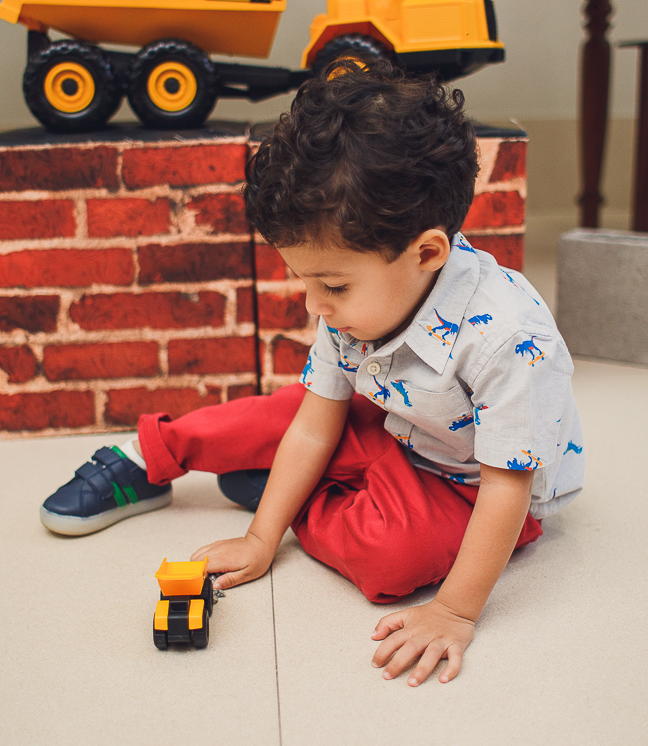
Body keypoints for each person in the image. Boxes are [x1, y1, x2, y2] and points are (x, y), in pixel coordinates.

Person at [38, 59, 585, 685]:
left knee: (390, 563)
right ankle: (151, 455)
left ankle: (306, 494)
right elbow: (311, 423)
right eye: (305, 280)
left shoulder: (510, 339)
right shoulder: (354, 303)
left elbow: (506, 489)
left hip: (475, 485)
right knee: (279, 413)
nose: (312, 306)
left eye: (331, 285)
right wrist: (259, 537)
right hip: (400, 422)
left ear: (427, 252)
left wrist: (456, 613)